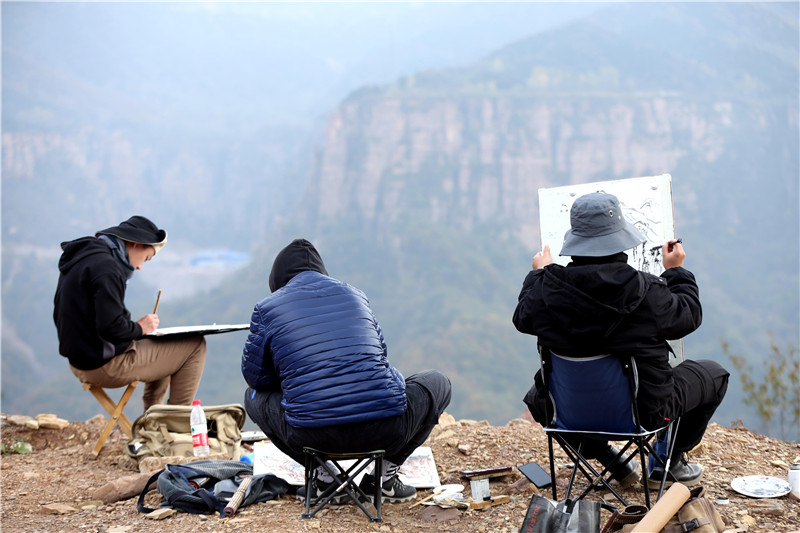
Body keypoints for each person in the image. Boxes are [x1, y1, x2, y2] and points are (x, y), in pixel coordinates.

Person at [513, 192, 729, 488]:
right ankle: (666, 464)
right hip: (645, 412)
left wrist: (537, 274)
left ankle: (614, 463)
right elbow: (688, 316)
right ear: (620, 238)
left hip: (569, 413)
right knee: (714, 375)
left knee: (541, 398)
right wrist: (676, 271)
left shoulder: (545, 292)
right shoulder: (647, 291)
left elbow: (522, 318)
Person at [242, 238, 451, 504]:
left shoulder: (267, 308)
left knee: (253, 396)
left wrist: (296, 377)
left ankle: (323, 477)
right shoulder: (356, 294)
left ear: (277, 279)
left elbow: (256, 377)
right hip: (386, 430)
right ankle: (384, 476)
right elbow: (380, 356)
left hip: (312, 436)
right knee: (437, 381)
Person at [54, 215, 206, 411]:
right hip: (102, 364)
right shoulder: (107, 268)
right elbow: (111, 327)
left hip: (80, 358)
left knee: (168, 347)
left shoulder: (87, 256)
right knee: (195, 345)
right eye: (146, 257)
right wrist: (140, 327)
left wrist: (136, 329)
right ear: (135, 244)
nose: (141, 266)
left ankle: (154, 422)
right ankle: (176, 425)